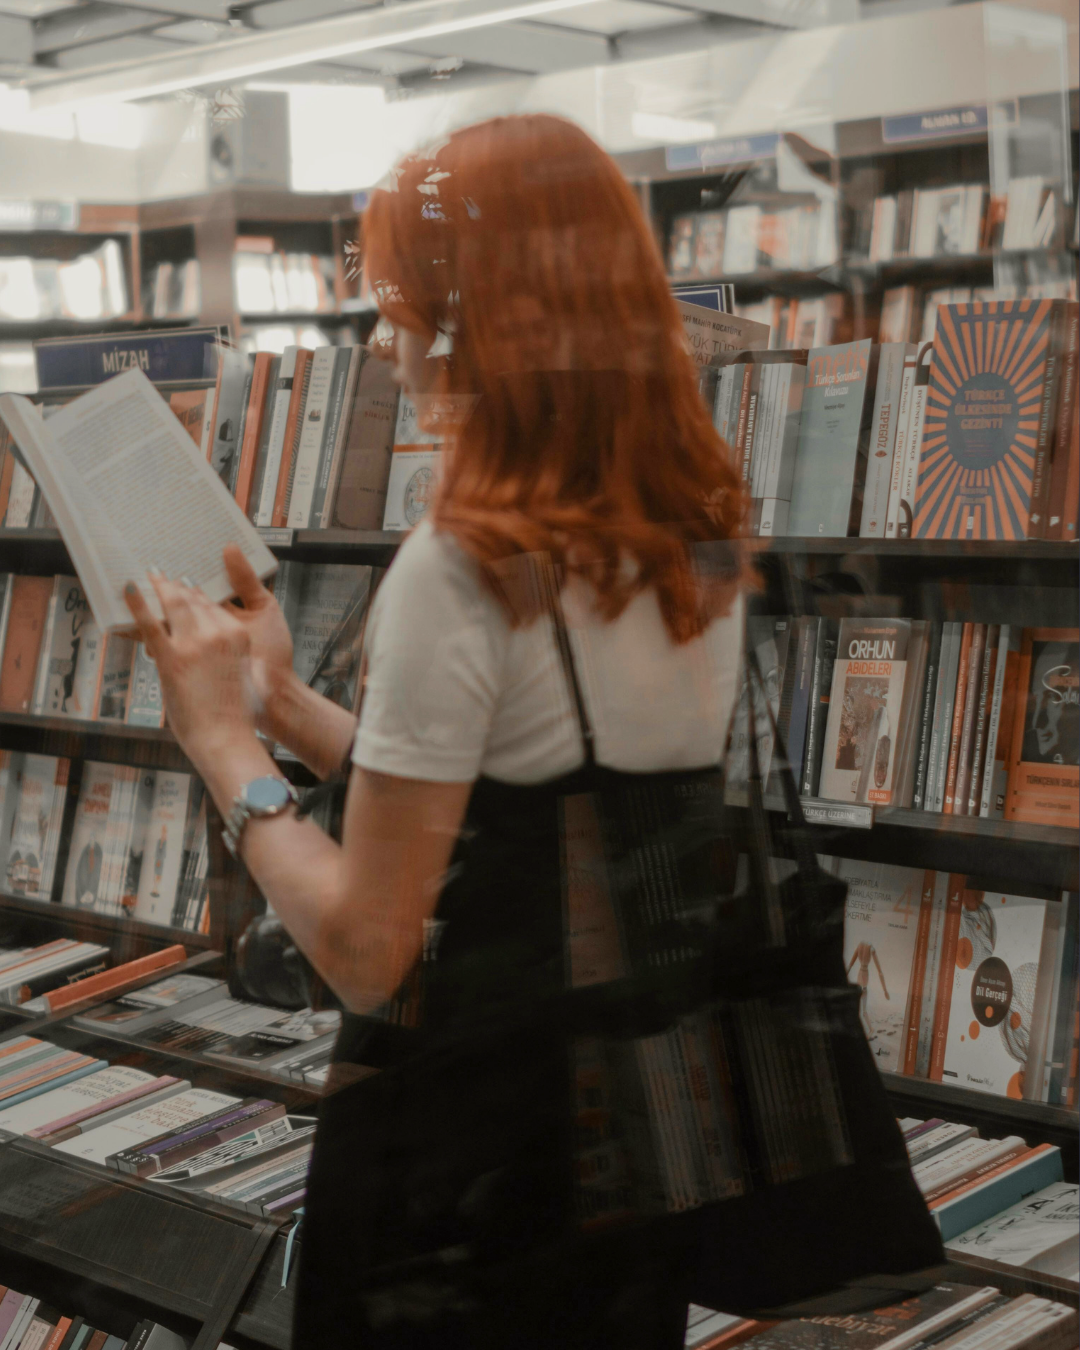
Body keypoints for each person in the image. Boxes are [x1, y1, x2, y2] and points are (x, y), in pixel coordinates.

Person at [124, 115, 943, 1345]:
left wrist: (222, 745)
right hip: (624, 1163)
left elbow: (366, 951)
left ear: (480, 321)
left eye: (403, 299)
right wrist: (284, 704)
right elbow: (526, 802)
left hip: (461, 1186)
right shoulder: (687, 546)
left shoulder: (463, 567)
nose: (386, 338)